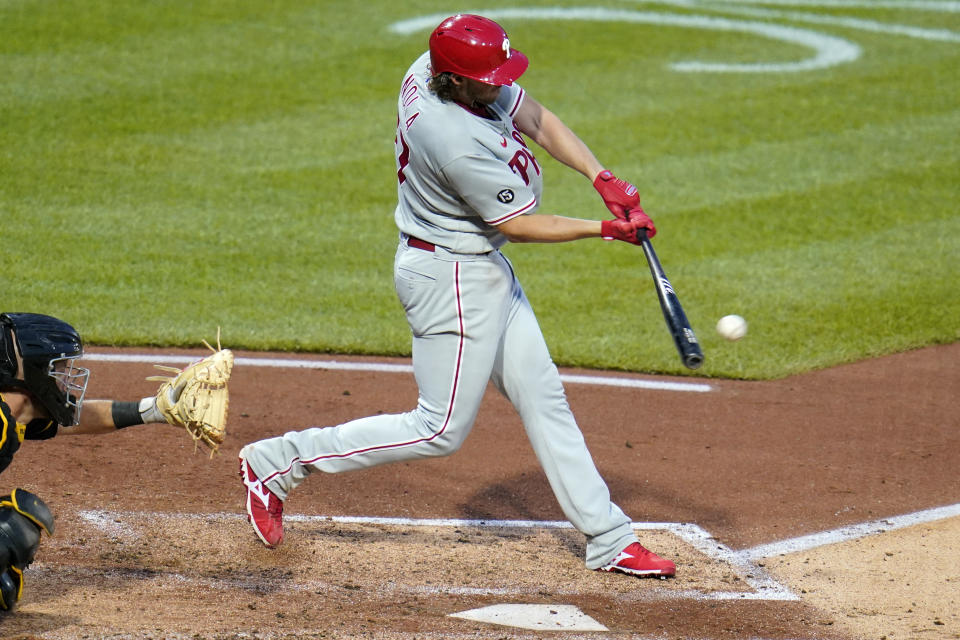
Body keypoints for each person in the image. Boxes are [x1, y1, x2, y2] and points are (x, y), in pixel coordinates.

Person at [238, 13, 675, 578]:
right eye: (489, 77)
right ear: (459, 81)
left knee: (543, 397)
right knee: (439, 429)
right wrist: (603, 229)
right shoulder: (452, 140)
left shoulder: (434, 69)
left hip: (476, 266)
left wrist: (600, 175)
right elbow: (519, 225)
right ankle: (275, 463)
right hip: (450, 278)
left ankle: (608, 538)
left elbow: (533, 114)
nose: (500, 83)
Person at [0, 311, 208, 610]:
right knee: (11, 530)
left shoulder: (12, 415)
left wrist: (155, 410)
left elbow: (76, 419)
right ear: (29, 371)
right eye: (58, 368)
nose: (64, 379)